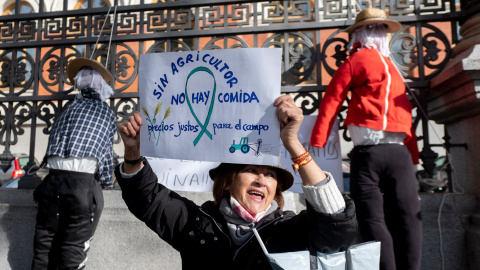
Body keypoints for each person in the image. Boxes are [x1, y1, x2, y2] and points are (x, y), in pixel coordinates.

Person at [115, 94, 357, 269]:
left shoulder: (288, 230)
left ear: (276, 191)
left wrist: (293, 144)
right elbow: (148, 198)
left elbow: (336, 223)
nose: (262, 179)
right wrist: (133, 154)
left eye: (271, 175)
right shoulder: (197, 223)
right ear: (229, 182)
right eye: (251, 170)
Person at [310, 7, 423, 270]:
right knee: (408, 217)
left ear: (358, 33)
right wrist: (414, 154)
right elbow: (405, 112)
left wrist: (317, 141)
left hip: (368, 153)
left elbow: (332, 101)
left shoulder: (356, 61)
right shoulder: (395, 70)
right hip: (399, 153)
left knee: (372, 219)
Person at [31, 58, 117, 269]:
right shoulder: (105, 113)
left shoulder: (67, 109)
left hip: (52, 182)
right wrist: (107, 179)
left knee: (44, 246)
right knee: (73, 249)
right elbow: (104, 154)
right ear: (102, 86)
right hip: (81, 185)